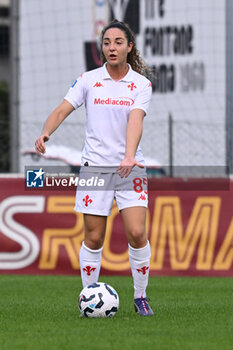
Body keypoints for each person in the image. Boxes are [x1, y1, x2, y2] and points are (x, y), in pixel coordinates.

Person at [35, 20, 153, 316]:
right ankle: (89, 295)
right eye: (107, 42)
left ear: (129, 47)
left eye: (117, 42)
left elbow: (135, 120)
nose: (111, 48)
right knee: (94, 238)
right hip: (94, 170)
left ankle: (140, 296)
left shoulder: (141, 84)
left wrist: (128, 156)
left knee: (137, 233)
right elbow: (62, 109)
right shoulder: (88, 80)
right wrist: (46, 132)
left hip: (130, 168)